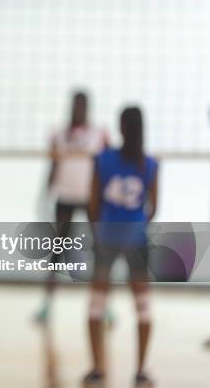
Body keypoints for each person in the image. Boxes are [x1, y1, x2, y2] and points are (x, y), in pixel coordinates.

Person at [83, 107, 158, 387]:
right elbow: (153, 206)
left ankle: (97, 369)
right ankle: (141, 371)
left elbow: (92, 203)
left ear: (122, 126)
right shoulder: (150, 164)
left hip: (107, 237)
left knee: (96, 305)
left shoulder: (102, 160)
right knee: (143, 307)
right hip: (136, 238)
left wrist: (99, 230)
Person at [35, 92, 108, 323]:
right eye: (76, 105)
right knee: (57, 250)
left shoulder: (99, 134)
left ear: (88, 108)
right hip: (64, 197)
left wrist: (106, 197)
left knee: (101, 249)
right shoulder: (59, 135)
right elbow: (53, 166)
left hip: (91, 198)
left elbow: (107, 166)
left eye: (83, 105)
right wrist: (44, 196)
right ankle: (47, 305)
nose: (79, 109)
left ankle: (104, 305)